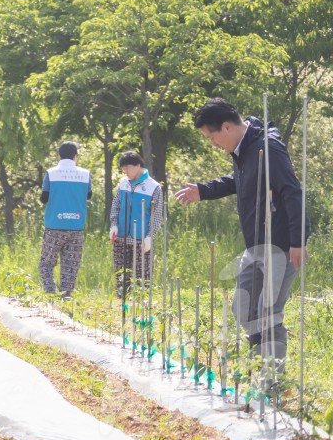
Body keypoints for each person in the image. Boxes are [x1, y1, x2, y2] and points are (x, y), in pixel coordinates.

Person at [175, 97, 309, 367]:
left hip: (281, 245)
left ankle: (271, 377)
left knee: (269, 311)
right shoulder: (244, 150)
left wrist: (298, 240)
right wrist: (203, 190)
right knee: (243, 306)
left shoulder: (268, 148)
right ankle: (259, 360)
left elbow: (292, 192)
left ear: (226, 127)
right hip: (256, 245)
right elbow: (238, 181)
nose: (212, 144)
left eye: (211, 137)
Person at [38, 141, 92, 299]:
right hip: (76, 225)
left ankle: (50, 291)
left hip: (55, 224)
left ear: (59, 155)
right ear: (75, 156)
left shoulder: (51, 173)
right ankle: (66, 294)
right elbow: (88, 195)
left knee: (46, 262)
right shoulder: (85, 174)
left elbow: (44, 198)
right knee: (70, 262)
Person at [110, 151, 162, 301]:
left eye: (128, 168)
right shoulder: (123, 183)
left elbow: (156, 215)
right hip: (121, 237)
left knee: (142, 277)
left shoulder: (153, 187)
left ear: (138, 165)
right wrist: (114, 225)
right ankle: (122, 304)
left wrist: (150, 237)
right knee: (121, 274)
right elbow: (116, 205)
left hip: (141, 240)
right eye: (123, 169)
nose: (126, 172)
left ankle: (141, 305)